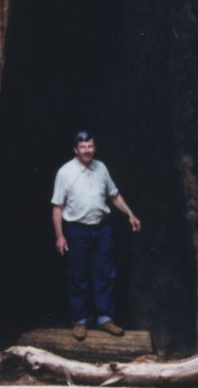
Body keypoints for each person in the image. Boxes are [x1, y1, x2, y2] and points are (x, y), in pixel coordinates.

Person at [51, 131, 141, 341]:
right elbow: (57, 207)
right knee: (78, 276)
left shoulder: (101, 169)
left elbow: (114, 194)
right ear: (75, 149)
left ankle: (105, 318)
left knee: (105, 273)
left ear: (94, 148)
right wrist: (59, 236)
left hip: (101, 229)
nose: (87, 151)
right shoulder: (65, 172)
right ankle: (79, 321)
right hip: (76, 229)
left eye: (90, 146)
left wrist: (130, 214)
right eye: (82, 147)